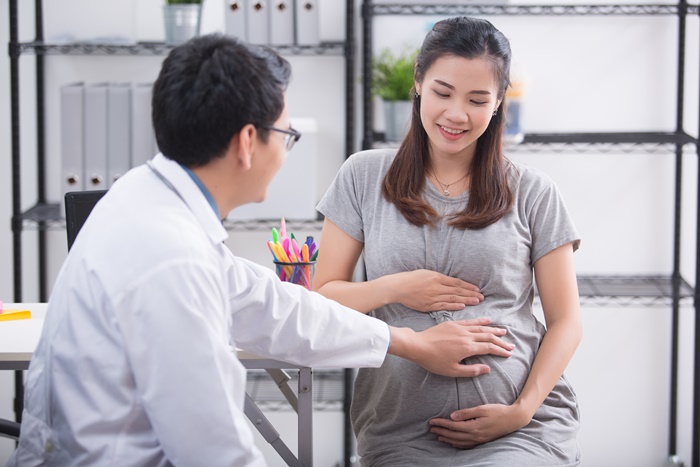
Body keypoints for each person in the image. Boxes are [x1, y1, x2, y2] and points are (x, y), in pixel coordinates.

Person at [6, 34, 517, 467]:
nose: (286, 151)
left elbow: (271, 304)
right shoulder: (171, 256)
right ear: (249, 142)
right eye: (286, 134)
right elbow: (214, 445)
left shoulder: (149, 199)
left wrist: (405, 341)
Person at [314, 16, 582, 466]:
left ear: (499, 103)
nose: (456, 114)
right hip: (400, 432)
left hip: (522, 431)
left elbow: (566, 322)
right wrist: (399, 287)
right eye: (442, 92)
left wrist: (520, 411)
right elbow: (323, 296)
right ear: (418, 82)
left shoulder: (535, 192)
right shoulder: (362, 176)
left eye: (478, 100)